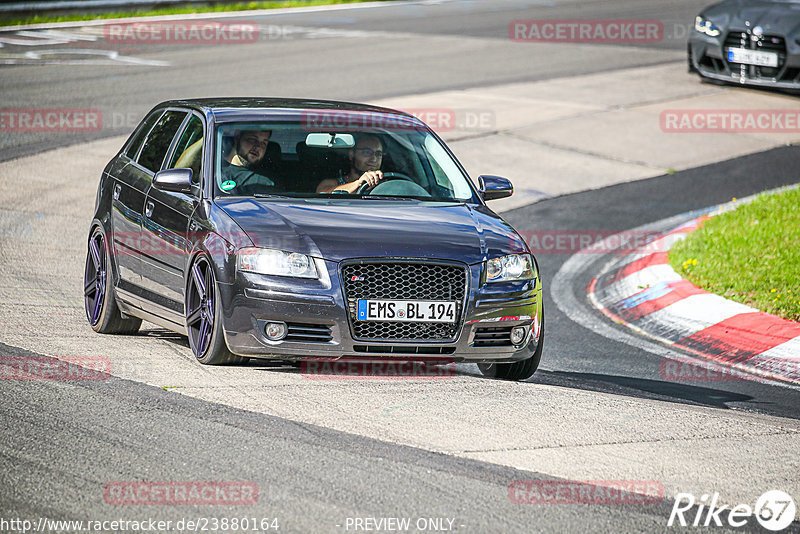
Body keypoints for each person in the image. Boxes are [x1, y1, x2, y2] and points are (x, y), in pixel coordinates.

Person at [316, 134, 385, 194]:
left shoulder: (387, 185)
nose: (374, 159)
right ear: (351, 155)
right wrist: (358, 183)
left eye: (378, 154)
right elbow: (322, 194)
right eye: (367, 152)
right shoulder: (331, 183)